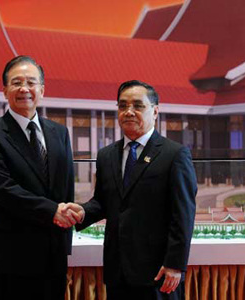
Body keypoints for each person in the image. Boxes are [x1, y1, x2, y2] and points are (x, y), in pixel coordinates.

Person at [64, 80, 197, 299]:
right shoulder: (107, 155)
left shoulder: (174, 154)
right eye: (123, 106)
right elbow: (103, 202)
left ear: (154, 111)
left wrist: (175, 264)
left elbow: (183, 214)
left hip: (158, 272)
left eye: (138, 106)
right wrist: (82, 212)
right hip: (118, 271)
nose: (129, 112)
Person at [0, 55, 77, 299]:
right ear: (4, 91)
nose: (24, 89)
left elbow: (66, 186)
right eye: (16, 82)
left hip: (53, 252)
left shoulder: (59, 132)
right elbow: (3, 189)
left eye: (31, 82)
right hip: (11, 255)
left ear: (42, 89)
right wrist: (53, 211)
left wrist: (66, 226)